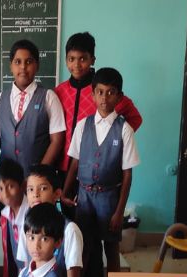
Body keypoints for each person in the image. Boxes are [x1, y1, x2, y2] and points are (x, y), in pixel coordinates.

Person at [61, 67, 140, 277]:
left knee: (111, 251)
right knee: (82, 250)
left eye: (110, 93)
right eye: (100, 92)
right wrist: (65, 191)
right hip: (84, 197)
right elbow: (74, 163)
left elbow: (127, 176)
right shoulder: (83, 126)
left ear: (119, 96)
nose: (104, 98)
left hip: (108, 197)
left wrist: (119, 211)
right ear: (92, 95)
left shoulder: (124, 130)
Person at [0, 39, 66, 206]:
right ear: (11, 66)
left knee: (37, 222)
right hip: (6, 186)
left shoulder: (48, 97)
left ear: (37, 65)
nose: (23, 67)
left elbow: (57, 141)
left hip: (38, 189)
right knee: (8, 221)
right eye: (18, 62)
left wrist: (35, 178)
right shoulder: (0, 100)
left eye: (29, 62)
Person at [53, 32, 142, 178]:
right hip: (63, 166)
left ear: (92, 60)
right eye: (71, 59)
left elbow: (135, 118)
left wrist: (114, 141)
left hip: (94, 167)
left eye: (83, 59)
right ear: (66, 60)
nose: (76, 65)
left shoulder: (102, 91)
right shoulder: (59, 92)